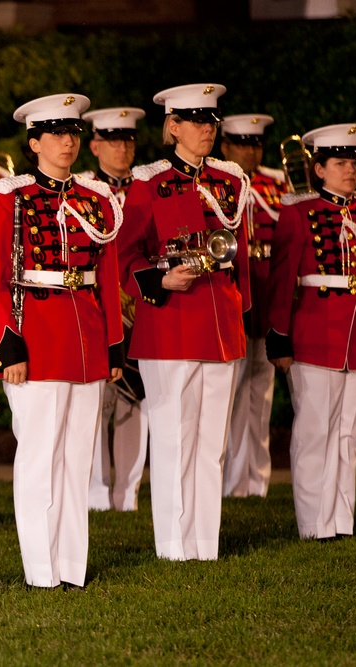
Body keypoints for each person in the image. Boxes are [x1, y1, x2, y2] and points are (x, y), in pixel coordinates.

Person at [0, 94, 125, 588]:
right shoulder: (11, 198)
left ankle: (71, 567)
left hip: (86, 337)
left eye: (73, 133)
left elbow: (107, 277)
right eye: (57, 134)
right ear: (35, 143)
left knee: (76, 459)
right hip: (36, 338)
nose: (68, 142)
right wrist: (9, 345)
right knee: (40, 457)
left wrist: (113, 344)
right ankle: (41, 570)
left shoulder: (95, 198)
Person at [118, 83, 251, 561]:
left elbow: (242, 257)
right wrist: (159, 280)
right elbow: (124, 254)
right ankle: (175, 547)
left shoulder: (230, 181)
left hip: (221, 324)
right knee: (175, 440)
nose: (206, 129)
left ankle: (204, 545)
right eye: (195, 121)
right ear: (172, 127)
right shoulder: (148, 182)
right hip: (170, 324)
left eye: (210, 121)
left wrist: (243, 313)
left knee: (211, 444)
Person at [268, 123, 356, 540]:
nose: (350, 170)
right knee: (314, 433)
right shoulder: (298, 212)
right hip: (315, 335)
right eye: (341, 163)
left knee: (348, 434)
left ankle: (341, 521)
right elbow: (281, 281)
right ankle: (313, 525)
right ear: (319, 169)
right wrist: (279, 337)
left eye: (354, 163)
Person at [80, 106, 150, 512]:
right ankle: (96, 492)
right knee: (96, 401)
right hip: (97, 307)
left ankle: (127, 494)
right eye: (112, 141)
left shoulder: (148, 187)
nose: (122, 148)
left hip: (140, 308)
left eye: (127, 140)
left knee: (135, 401)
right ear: (94, 146)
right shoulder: (84, 191)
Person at [219, 114, 287, 498]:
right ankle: (232, 481)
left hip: (265, 291)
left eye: (256, 144)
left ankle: (256, 481)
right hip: (236, 292)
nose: (251, 151)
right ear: (225, 146)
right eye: (243, 144)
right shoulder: (221, 183)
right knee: (231, 392)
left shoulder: (275, 184)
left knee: (261, 391)